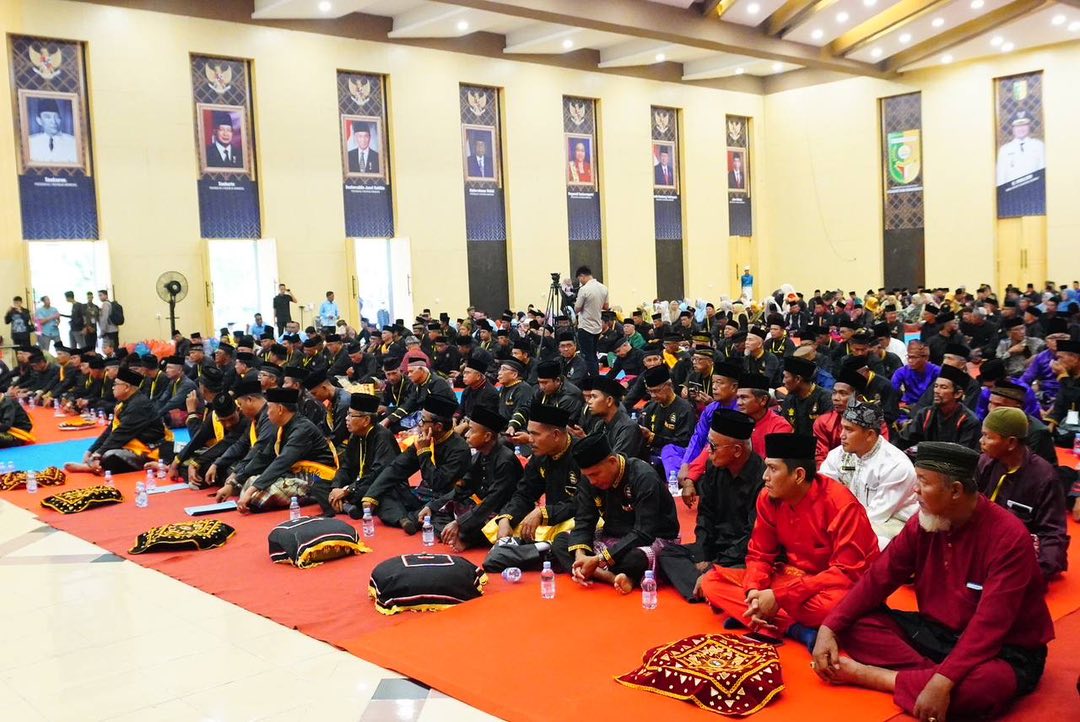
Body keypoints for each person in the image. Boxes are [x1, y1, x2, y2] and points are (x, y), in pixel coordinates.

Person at [813, 442, 1054, 721]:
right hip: (937, 633)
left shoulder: (1009, 537)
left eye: (923, 482)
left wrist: (942, 681)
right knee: (855, 624)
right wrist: (830, 626)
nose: (914, 490)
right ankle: (932, 679)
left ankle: (880, 677)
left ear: (955, 491)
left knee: (981, 688)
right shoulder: (925, 522)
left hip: (1003, 648)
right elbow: (878, 578)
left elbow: (990, 625)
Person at [700, 432, 879, 644]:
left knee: (833, 606)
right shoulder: (768, 498)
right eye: (766, 467)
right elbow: (760, 554)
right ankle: (795, 628)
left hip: (829, 586)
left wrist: (779, 597)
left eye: (773, 469)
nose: (764, 476)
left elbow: (847, 573)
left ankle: (756, 617)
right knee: (711, 582)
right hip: (789, 577)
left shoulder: (841, 506)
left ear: (799, 475)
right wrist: (754, 590)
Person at [659, 410, 764, 602]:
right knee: (668, 553)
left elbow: (753, 537)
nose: (708, 451)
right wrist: (703, 554)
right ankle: (708, 588)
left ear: (737, 451)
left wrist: (714, 565)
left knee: (751, 570)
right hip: (715, 546)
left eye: (713, 446)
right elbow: (705, 515)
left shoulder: (763, 480)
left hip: (742, 554)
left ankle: (708, 584)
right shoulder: (713, 467)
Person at [561, 432, 680, 594]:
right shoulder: (590, 480)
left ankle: (597, 571)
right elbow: (584, 519)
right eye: (587, 476)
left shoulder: (644, 476)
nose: (592, 481)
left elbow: (644, 532)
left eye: (595, 474)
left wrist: (599, 559)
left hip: (650, 539)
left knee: (635, 559)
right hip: (611, 536)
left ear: (612, 461)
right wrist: (580, 556)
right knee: (561, 541)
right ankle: (611, 577)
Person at [484, 403, 580, 572]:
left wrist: (543, 512)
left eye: (535, 434)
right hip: (550, 520)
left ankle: (534, 551)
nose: (529, 439)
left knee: (572, 530)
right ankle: (536, 550)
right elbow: (525, 492)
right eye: (529, 433)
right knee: (496, 525)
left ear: (556, 435)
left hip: (575, 518)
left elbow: (584, 502)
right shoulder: (540, 455)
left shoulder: (582, 455)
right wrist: (507, 518)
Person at [976, 407, 1069, 579]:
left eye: (988, 436)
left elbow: (1052, 533)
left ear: (1011, 443)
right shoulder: (985, 462)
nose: (981, 441)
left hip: (1019, 549)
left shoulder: (1044, 477)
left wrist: (1038, 572)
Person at [419, 405, 523, 551]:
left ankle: (463, 538)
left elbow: (492, 502)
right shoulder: (479, 455)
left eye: (472, 431)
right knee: (438, 514)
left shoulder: (505, 461)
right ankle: (459, 535)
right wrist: (431, 506)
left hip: (503, 511)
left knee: (486, 524)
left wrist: (459, 523)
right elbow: (462, 487)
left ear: (487, 437)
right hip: (482, 506)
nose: (466, 435)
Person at [361, 395, 471, 533]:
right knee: (384, 491)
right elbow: (397, 467)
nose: (419, 424)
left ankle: (405, 518)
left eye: (423, 420)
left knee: (441, 513)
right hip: (422, 494)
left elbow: (437, 483)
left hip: (444, 499)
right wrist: (371, 496)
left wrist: (424, 452)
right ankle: (404, 519)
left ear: (438, 426)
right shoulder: (424, 440)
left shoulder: (459, 449)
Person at [820, 399, 918, 550]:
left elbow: (877, 516)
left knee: (871, 542)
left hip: (892, 523)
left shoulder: (896, 465)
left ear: (870, 435)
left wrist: (836, 527)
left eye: (849, 430)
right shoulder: (838, 455)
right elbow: (822, 491)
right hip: (848, 518)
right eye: (842, 428)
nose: (841, 435)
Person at [231, 387, 339, 513]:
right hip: (293, 473)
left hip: (315, 476)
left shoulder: (303, 429)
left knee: (260, 494)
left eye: (269, 408)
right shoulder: (282, 427)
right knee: (250, 481)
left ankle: (312, 497)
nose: (267, 413)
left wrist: (251, 491)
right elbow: (264, 457)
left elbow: (282, 462)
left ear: (280, 409)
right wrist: (236, 480)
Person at [68, 367, 173, 473]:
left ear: (126, 387)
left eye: (115, 384)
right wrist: (91, 450)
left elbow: (121, 433)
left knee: (111, 455)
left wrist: (97, 454)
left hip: (151, 450)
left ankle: (93, 467)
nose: (113, 387)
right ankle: (95, 465)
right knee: (107, 451)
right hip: (131, 445)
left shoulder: (139, 405)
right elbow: (111, 430)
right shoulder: (123, 403)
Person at [894, 365, 981, 451]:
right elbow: (903, 440)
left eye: (943, 387)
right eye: (936, 386)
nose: (936, 391)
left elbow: (965, 453)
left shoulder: (968, 421)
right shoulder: (925, 414)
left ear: (957, 394)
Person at [638, 364, 695, 478]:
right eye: (650, 391)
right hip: (651, 454)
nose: (653, 395)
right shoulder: (651, 407)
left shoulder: (685, 409)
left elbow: (684, 442)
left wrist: (652, 437)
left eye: (656, 391)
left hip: (673, 459)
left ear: (669, 385)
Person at [580, 376, 642, 459]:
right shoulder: (600, 424)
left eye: (594, 397)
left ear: (609, 400)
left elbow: (615, 463)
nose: (589, 401)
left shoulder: (628, 428)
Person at [735, 372, 793, 457]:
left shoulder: (780, 427)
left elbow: (775, 462)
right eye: (737, 398)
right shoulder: (734, 422)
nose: (738, 403)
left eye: (744, 397)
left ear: (763, 400)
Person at [778, 355, 833, 436]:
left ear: (798, 379)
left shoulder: (826, 399)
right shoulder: (789, 399)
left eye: (786, 377)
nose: (783, 381)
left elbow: (828, 431)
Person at [574, 266, 608, 378]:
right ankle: (596, 376)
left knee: (587, 356)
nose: (580, 281)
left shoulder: (584, 289)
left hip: (585, 326)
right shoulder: (603, 288)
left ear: (582, 276)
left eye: (579, 279)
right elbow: (606, 306)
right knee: (593, 354)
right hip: (597, 326)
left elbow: (577, 309)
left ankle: (593, 378)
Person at [303, 369, 352, 447]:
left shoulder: (344, 402)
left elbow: (338, 435)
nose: (314, 397)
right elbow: (323, 426)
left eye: (314, 393)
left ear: (324, 388)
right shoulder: (332, 400)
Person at [995, 112, 1046, 186]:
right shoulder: (1005, 150)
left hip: (1035, 188)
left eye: (1024, 125)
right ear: (1013, 129)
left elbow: (1043, 171)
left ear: (1029, 126)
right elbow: (1000, 176)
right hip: (1012, 190)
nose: (1021, 129)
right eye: (1017, 126)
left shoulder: (1039, 145)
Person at [891, 341, 939, 415]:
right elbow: (891, 392)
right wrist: (896, 404)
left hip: (931, 408)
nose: (910, 361)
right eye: (909, 357)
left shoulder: (937, 371)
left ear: (926, 358)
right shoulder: (901, 372)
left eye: (914, 357)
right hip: (908, 407)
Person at [27, 97, 77, 164]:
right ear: (39, 120)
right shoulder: (30, 142)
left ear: (60, 119)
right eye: (48, 117)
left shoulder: (72, 142)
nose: (53, 121)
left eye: (56, 117)